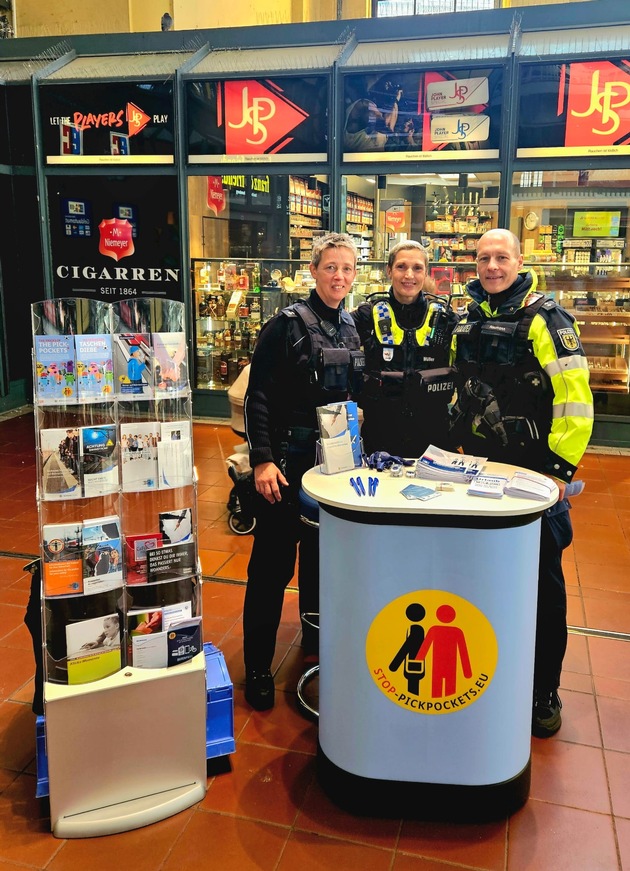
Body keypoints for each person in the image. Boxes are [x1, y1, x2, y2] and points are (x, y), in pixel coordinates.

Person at [450, 228, 594, 737]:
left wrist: (557, 472)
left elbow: (576, 401)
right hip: (479, 471)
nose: (492, 266)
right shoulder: (466, 318)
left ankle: (544, 691)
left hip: (534, 475)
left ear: (519, 261)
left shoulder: (546, 318)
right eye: (484, 258)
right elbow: (459, 388)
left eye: (502, 258)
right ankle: (492, 672)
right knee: (484, 579)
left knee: (542, 586)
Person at [242, 232, 362, 710]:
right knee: (271, 567)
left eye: (347, 269)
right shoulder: (284, 326)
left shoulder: (351, 326)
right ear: (313, 271)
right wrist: (262, 460)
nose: (339, 277)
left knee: (321, 564)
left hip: (333, 470)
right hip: (286, 467)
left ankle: (314, 646)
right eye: (330, 267)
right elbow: (258, 398)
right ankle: (257, 667)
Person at [352, 240, 458, 458]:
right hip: (379, 442)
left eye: (417, 268)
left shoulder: (446, 319)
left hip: (434, 443)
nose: (409, 275)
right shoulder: (366, 316)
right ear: (389, 270)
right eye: (401, 267)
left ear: (426, 273)